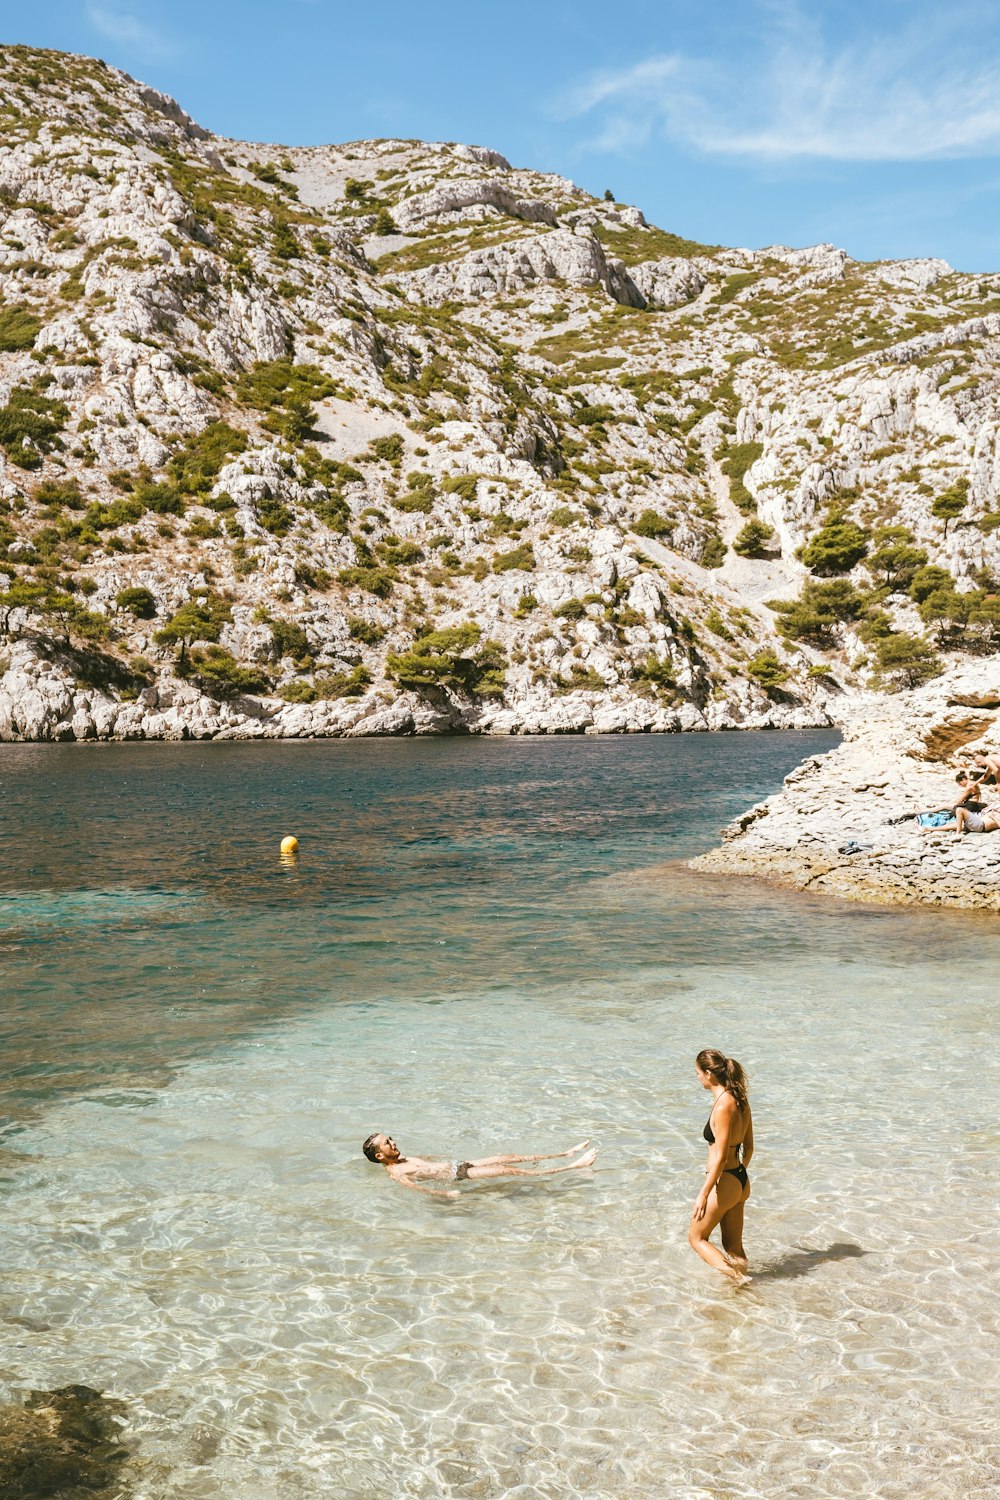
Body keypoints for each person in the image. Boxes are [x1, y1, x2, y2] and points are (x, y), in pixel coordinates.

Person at [362, 1133, 597, 1198]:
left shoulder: (405, 1158)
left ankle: (565, 1153)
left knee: (508, 1156)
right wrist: (443, 1193)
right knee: (509, 1170)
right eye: (386, 1143)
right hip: (459, 1175)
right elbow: (415, 1188)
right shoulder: (395, 1171)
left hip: (458, 1164)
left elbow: (429, 1163)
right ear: (380, 1156)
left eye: (390, 1138)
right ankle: (573, 1167)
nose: (393, 1142)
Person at [689, 1049, 753, 1282]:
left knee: (697, 1238)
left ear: (709, 1074)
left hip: (724, 1179)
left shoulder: (723, 1105)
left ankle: (739, 1280)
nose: (697, 1078)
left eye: (697, 1073)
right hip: (739, 1179)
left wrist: (703, 1194)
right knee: (733, 1247)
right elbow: (750, 1147)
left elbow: (720, 1158)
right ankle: (742, 1288)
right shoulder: (741, 1099)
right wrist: (739, 1178)